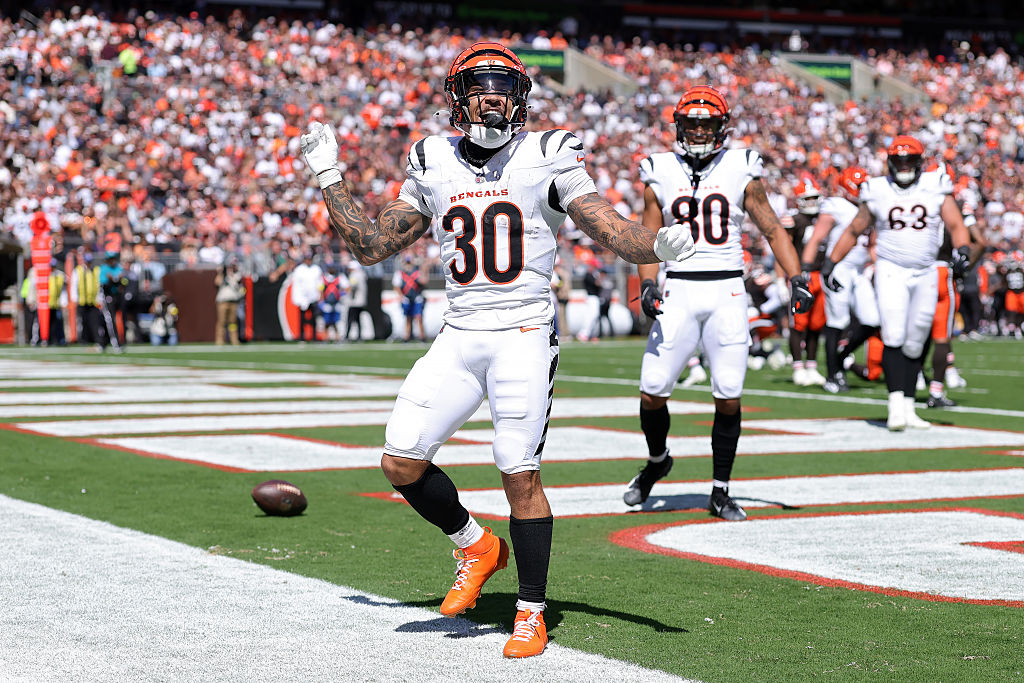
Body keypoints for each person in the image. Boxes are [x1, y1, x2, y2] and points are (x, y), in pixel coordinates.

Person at [300, 41, 695, 658]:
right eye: (482, 85)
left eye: (506, 86)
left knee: (518, 472)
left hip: (522, 332)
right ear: (458, 97)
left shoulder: (548, 152)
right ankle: (476, 546)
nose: (494, 96)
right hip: (459, 332)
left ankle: (531, 610)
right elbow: (372, 245)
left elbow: (606, 226)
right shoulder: (432, 158)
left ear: (521, 98)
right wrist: (329, 177)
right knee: (400, 460)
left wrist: (656, 247)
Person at [623, 85, 812, 522]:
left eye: (707, 123)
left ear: (722, 126)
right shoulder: (660, 169)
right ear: (679, 126)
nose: (699, 130)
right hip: (680, 288)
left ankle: (720, 490)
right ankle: (657, 462)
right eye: (692, 123)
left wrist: (796, 276)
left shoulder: (741, 166)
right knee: (652, 391)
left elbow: (772, 228)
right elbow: (649, 238)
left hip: (727, 288)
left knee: (728, 395)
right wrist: (649, 284)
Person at [822, 135, 971, 431]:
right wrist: (831, 262)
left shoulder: (935, 185)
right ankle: (894, 405)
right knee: (893, 334)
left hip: (926, 271)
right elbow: (855, 229)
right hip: (891, 269)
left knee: (917, 337)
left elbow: (955, 224)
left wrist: (963, 250)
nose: (904, 165)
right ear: (890, 162)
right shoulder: (876, 189)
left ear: (920, 162)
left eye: (910, 160)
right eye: (899, 160)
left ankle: (908, 406)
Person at [801, 166, 879, 393]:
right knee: (838, 321)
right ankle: (833, 374)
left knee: (872, 320)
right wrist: (805, 270)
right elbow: (816, 239)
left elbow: (871, 244)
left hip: (860, 270)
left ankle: (841, 358)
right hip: (838, 268)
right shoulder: (835, 205)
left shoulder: (869, 208)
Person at [787, 175, 827, 387]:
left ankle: (811, 366)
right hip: (801, 274)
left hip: (820, 274)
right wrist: (779, 278)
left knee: (816, 324)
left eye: (814, 198)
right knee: (798, 323)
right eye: (807, 199)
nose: (811, 203)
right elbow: (783, 249)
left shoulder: (824, 217)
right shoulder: (794, 220)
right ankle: (797, 366)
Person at [72, 252, 104, 350]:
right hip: (82, 301)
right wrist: (75, 298)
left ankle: (97, 340)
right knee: (83, 321)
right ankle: (83, 340)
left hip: (93, 301)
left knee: (95, 322)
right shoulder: (78, 271)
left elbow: (99, 285)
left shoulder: (96, 270)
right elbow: (74, 285)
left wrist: (99, 299)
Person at [393, 254, 427, 342]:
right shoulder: (400, 273)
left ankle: (422, 336)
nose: (408, 265)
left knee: (419, 317)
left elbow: (424, 282)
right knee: (408, 318)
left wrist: (422, 271)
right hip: (407, 298)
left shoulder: (417, 272)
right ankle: (406, 336)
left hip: (417, 297)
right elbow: (396, 287)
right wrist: (401, 296)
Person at [290, 251, 323, 342]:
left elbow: (320, 283)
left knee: (314, 318)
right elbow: (296, 286)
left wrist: (320, 294)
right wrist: (298, 299)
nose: (308, 261)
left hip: (313, 297)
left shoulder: (316, 269)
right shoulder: (299, 270)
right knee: (302, 318)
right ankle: (301, 336)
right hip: (303, 298)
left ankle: (314, 337)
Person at [214, 261, 245, 345]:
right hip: (223, 302)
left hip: (233, 301)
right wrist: (222, 273)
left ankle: (234, 340)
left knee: (232, 322)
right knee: (221, 321)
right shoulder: (223, 276)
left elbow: (240, 288)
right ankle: (219, 340)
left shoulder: (236, 276)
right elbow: (217, 282)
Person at [345, 261, 368, 341]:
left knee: (350, 319)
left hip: (354, 301)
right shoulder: (362, 274)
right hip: (361, 301)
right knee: (358, 320)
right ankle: (359, 336)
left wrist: (346, 291)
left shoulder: (354, 275)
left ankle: (347, 336)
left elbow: (352, 286)